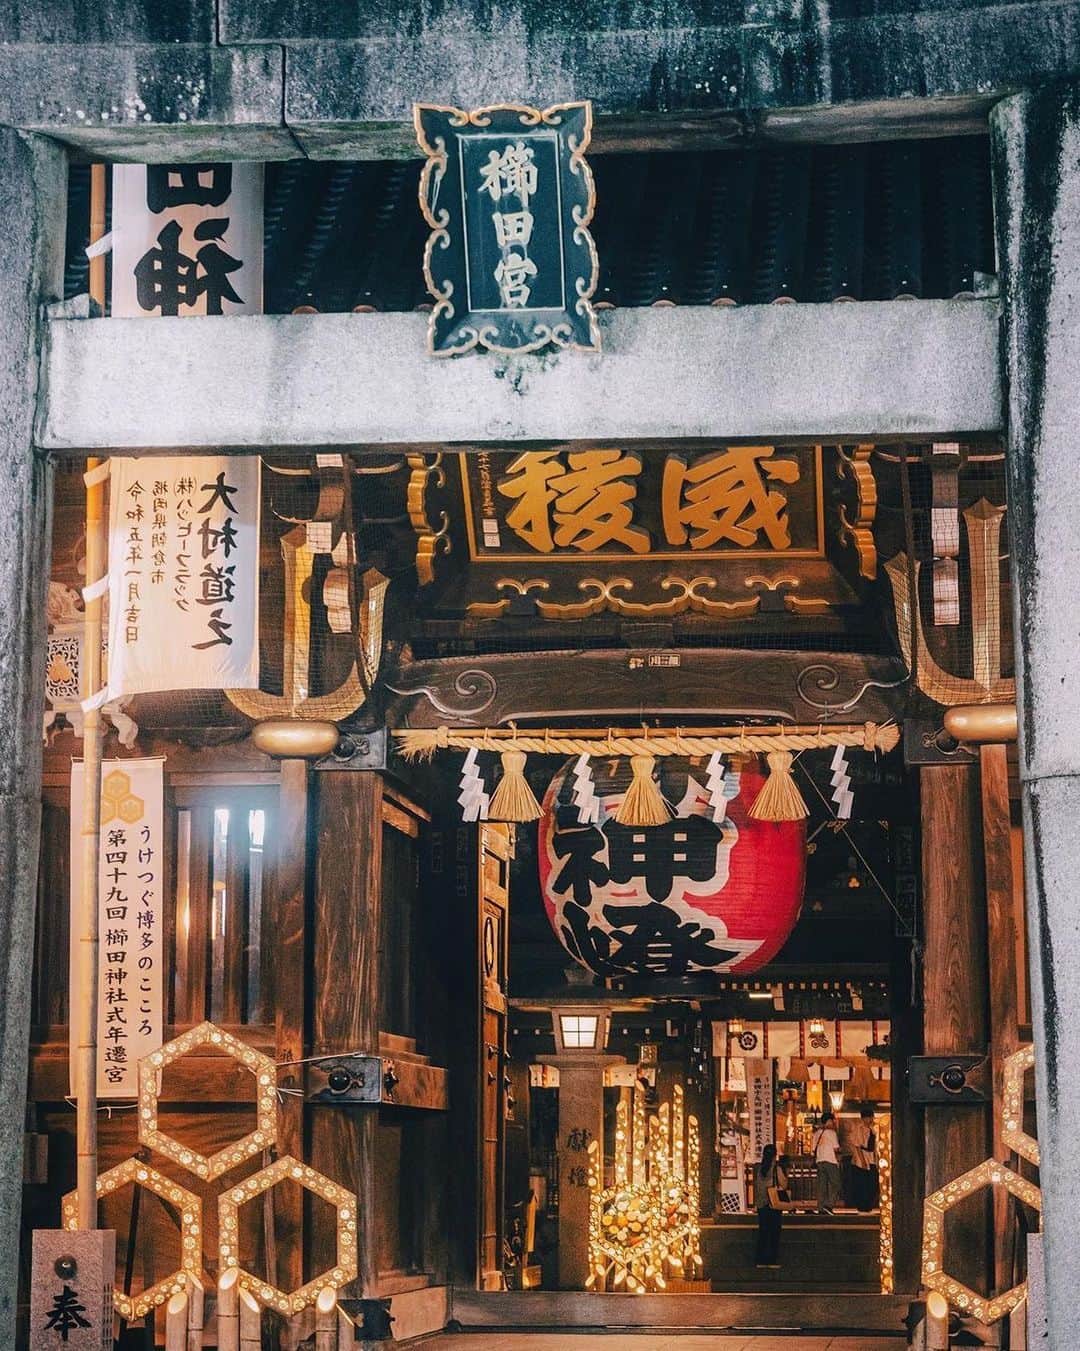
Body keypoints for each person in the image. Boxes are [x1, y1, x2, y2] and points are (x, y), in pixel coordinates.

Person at [754, 1143, 787, 1266]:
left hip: (761, 1204)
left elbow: (757, 1187)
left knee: (763, 1232)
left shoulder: (760, 1169)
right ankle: (772, 1259)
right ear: (774, 1155)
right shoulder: (776, 1169)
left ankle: (760, 1259)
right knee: (774, 1233)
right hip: (773, 1203)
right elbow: (784, 1185)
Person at [812, 1111, 843, 1214]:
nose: (833, 1122)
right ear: (829, 1121)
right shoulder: (832, 1133)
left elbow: (813, 1149)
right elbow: (836, 1149)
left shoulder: (816, 1133)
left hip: (820, 1161)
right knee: (836, 1184)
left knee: (822, 1185)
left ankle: (821, 1207)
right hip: (830, 1160)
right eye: (832, 1120)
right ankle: (829, 1206)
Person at [850, 1106, 879, 1211]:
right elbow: (857, 1145)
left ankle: (868, 1205)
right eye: (868, 1117)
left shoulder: (873, 1129)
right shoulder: (859, 1129)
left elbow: (874, 1146)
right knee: (862, 1184)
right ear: (863, 1118)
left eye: (871, 1117)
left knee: (872, 1183)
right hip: (862, 1159)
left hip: (871, 1159)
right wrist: (862, 1161)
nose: (870, 1119)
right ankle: (862, 1205)